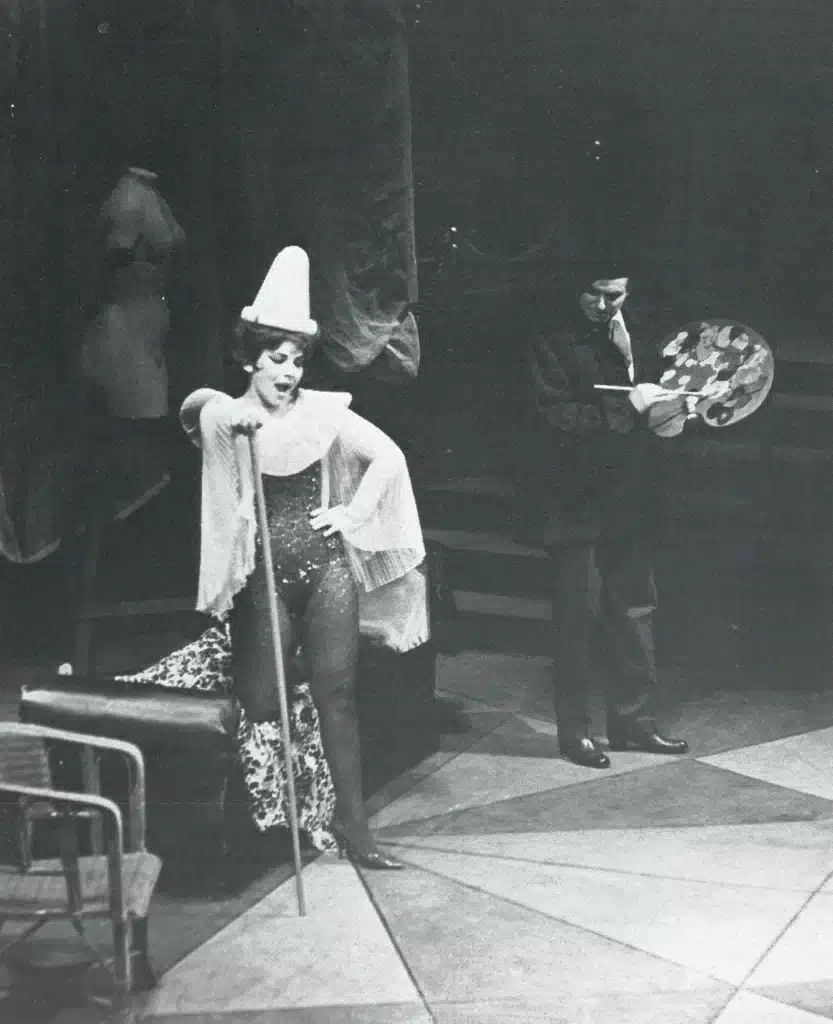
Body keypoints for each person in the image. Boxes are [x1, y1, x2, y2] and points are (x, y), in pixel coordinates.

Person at [179, 246, 427, 868]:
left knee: (337, 694)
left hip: (326, 572)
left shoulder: (322, 413)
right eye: (276, 358)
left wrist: (349, 515)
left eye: (296, 360)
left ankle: (355, 825)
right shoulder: (224, 415)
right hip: (263, 576)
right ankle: (274, 810)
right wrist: (236, 434)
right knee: (262, 699)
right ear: (249, 358)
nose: (288, 372)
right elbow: (201, 423)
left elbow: (390, 459)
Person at [525, 266, 689, 769]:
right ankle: (575, 733)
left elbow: (661, 396)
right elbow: (553, 417)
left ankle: (634, 723)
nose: (604, 306)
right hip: (575, 495)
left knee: (636, 609)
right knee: (578, 615)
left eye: (614, 295)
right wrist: (628, 409)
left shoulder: (644, 325)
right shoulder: (549, 339)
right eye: (593, 294)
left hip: (631, 494)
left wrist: (672, 411)